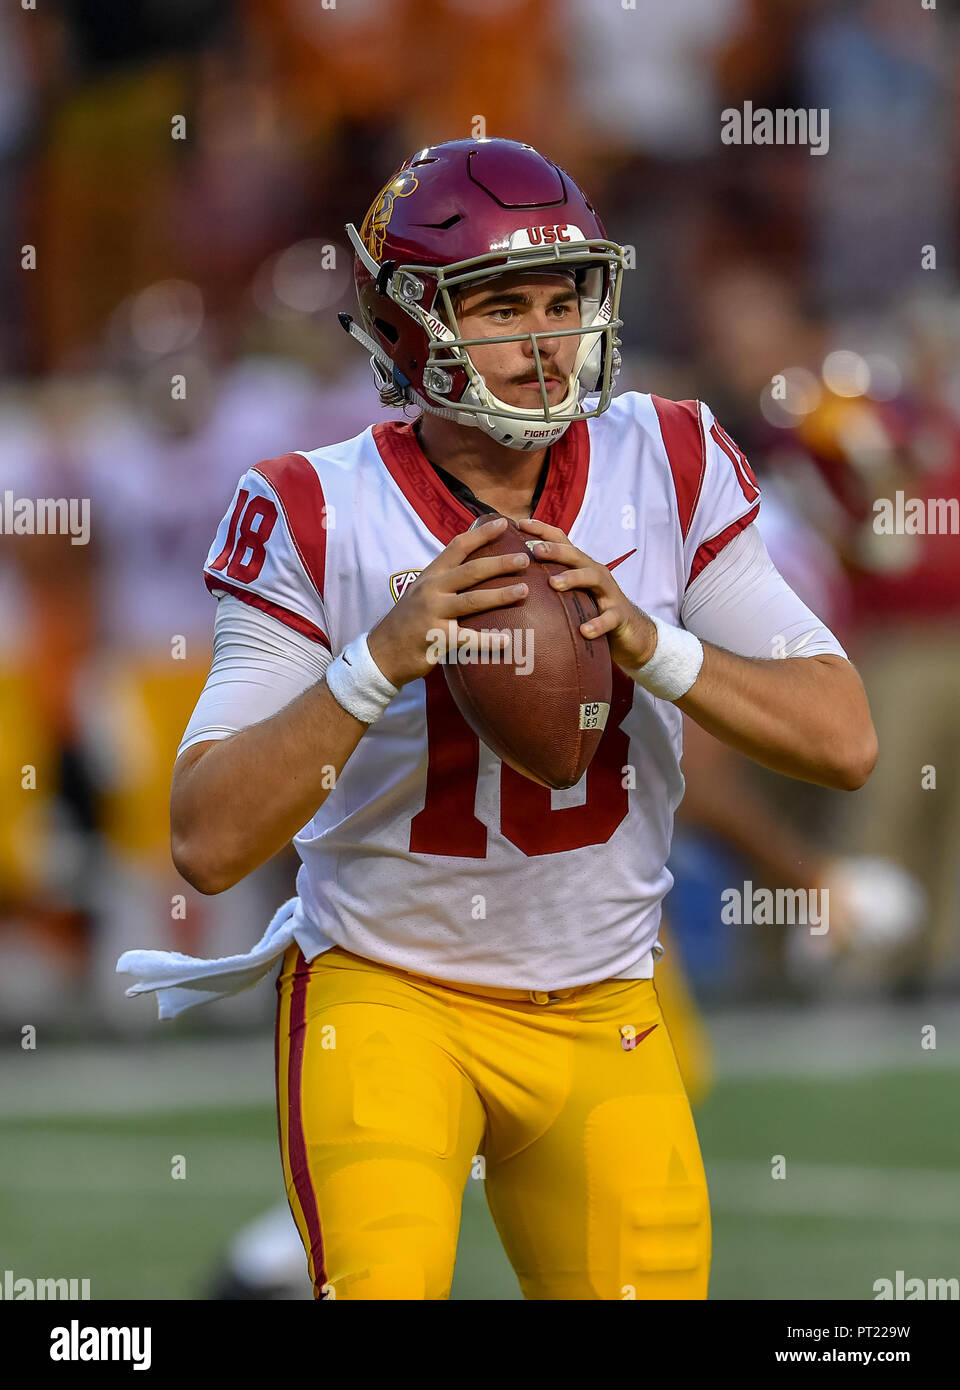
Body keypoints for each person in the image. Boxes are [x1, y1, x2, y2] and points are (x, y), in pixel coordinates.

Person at [120, 137, 877, 1301]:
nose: (544, 339)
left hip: (605, 1002)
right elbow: (208, 839)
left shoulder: (666, 459)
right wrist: (377, 661)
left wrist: (651, 645)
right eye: (499, 305)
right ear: (413, 326)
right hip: (386, 991)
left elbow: (842, 740)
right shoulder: (315, 507)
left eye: (564, 298)